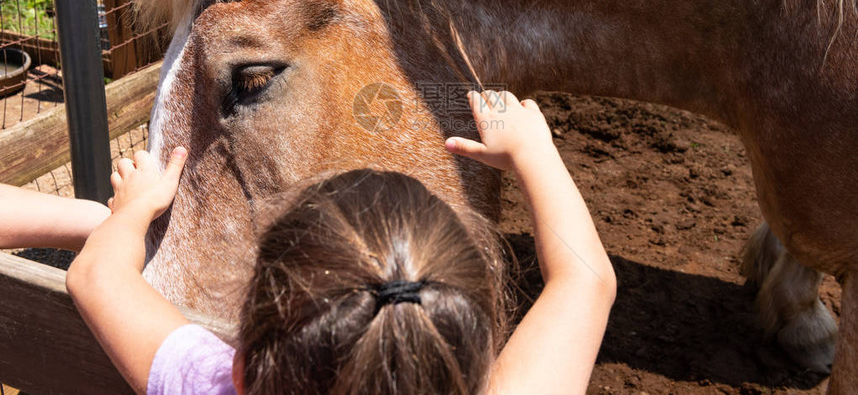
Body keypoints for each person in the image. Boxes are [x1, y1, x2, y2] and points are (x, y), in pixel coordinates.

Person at [60, 90, 615, 395]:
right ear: (474, 362)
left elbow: (96, 276)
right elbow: (585, 281)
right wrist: (534, 153)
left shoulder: (213, 387)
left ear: (244, 368)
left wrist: (133, 211)